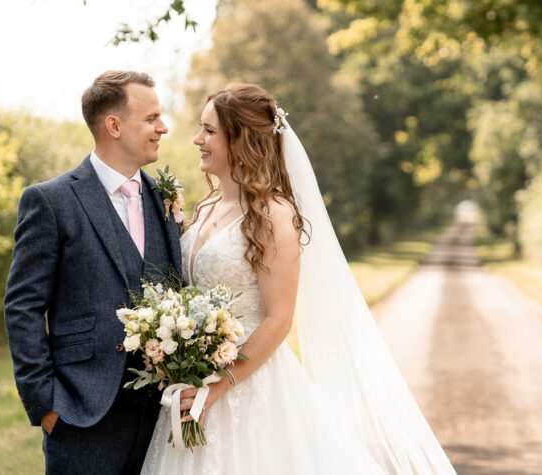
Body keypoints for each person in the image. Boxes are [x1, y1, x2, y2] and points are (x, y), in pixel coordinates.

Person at [140, 83, 455, 475]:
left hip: (247, 388)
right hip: (192, 384)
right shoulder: (204, 206)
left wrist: (217, 386)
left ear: (241, 141)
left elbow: (278, 318)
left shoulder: (273, 215)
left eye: (209, 131)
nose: (197, 139)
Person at [4, 70, 183, 475]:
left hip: (160, 416)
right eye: (152, 118)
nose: (163, 127)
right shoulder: (50, 201)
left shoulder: (165, 199)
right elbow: (23, 306)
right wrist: (46, 404)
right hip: (81, 412)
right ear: (114, 125)